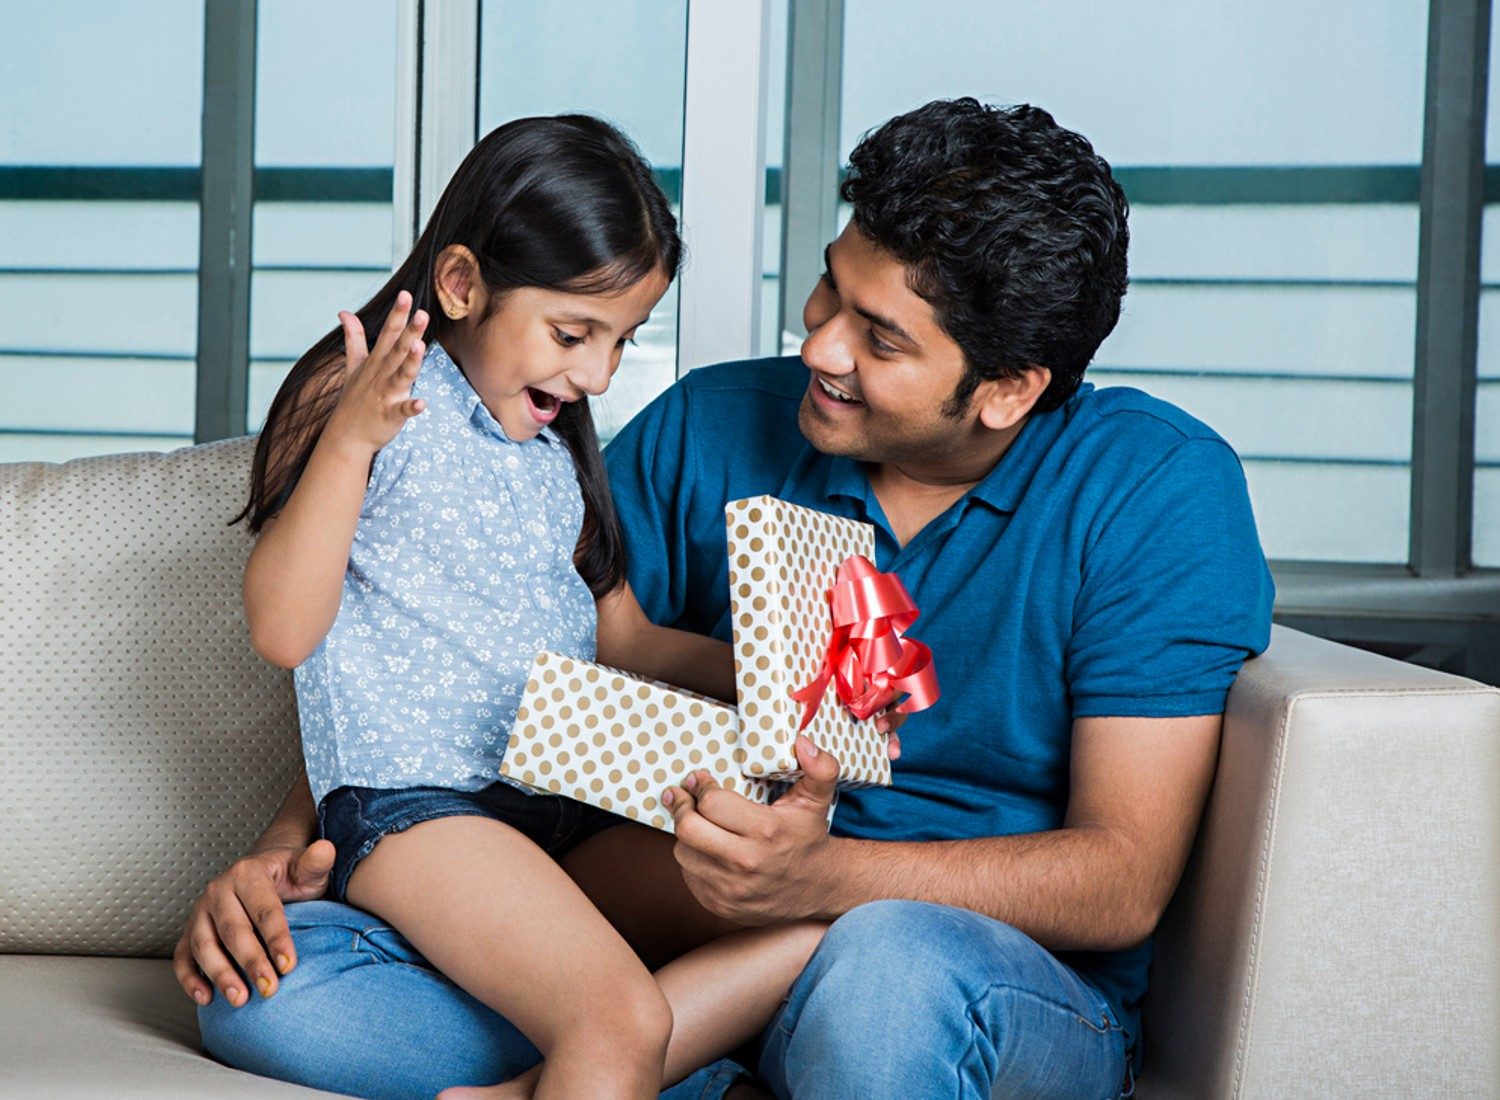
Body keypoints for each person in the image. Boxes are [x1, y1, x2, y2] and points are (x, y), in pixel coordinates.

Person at [184, 99, 1274, 1099]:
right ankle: (662, 1058)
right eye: (830, 289)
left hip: (956, 966)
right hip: (677, 934)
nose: (819, 345)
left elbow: (1123, 880)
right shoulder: (716, 422)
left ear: (1008, 391)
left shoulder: (1154, 489)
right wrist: (293, 840)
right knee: (276, 984)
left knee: (878, 967)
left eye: (879, 337)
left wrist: (826, 876)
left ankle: (632, 1050)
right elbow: (482, 643)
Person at [215, 113, 862, 1100]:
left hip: (561, 804)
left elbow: (628, 637)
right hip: (420, 815)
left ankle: (552, 1074)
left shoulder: (555, 444)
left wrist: (786, 676)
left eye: (623, 339)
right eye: (575, 333)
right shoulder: (359, 395)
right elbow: (284, 629)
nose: (599, 373)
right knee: (622, 1015)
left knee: (801, 926)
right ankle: (615, 1050)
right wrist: (348, 443)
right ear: (463, 283)